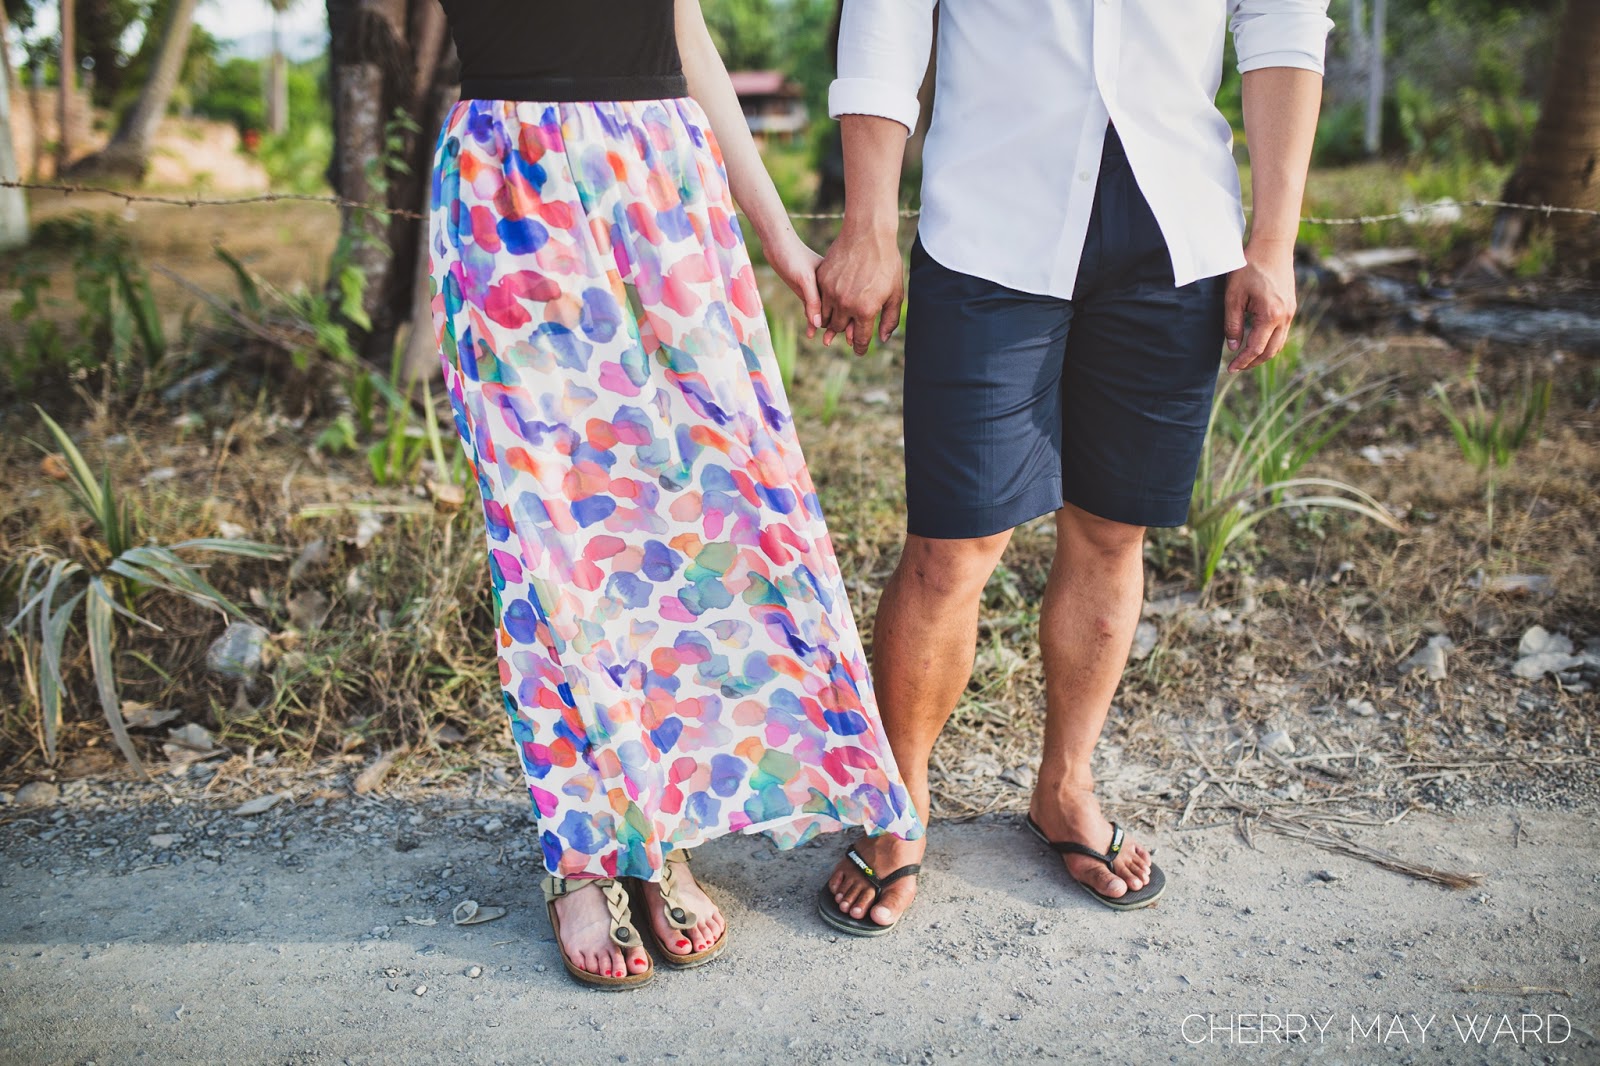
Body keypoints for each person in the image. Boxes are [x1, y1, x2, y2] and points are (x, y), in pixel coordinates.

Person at [429, 0, 922, 989]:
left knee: (693, 520)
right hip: (509, 187)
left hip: (661, 181)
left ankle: (661, 833)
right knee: (549, 535)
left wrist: (777, 233)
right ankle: (581, 853)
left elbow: (682, 27)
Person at [814, 0, 1332, 931]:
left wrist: (1273, 241)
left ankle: (1065, 787)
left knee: (1111, 528)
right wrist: (868, 223)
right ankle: (898, 810)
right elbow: (886, 14)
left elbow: (1283, 24)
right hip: (987, 222)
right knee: (952, 548)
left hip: (1178, 228)